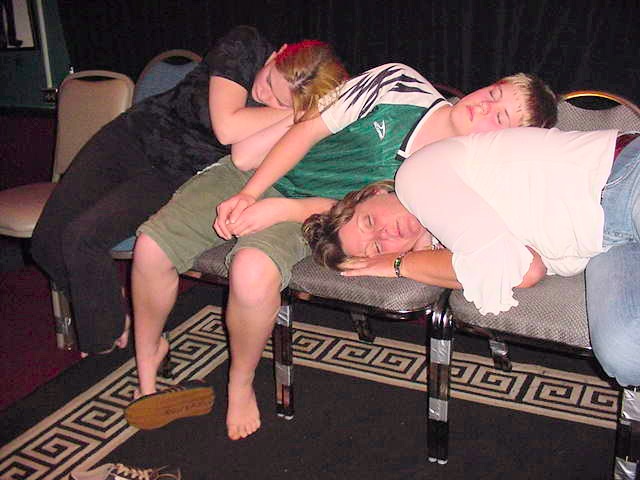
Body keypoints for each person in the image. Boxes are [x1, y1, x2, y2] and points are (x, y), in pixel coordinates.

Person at [129, 63, 558, 440]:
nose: (485, 107)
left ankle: (239, 383)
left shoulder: (458, 176)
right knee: (150, 249)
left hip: (316, 212)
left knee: (251, 272)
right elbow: (307, 130)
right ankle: (147, 372)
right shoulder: (399, 84)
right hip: (261, 171)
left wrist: (284, 209)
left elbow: (363, 219)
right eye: (494, 94)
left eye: (500, 117)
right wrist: (251, 194)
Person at [30, 25, 348, 355]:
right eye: (269, 81)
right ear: (277, 53)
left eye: (280, 102)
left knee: (82, 237)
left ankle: (104, 341)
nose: (265, 96)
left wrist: (299, 115)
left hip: (175, 176)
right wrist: (291, 113)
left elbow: (241, 155)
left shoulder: (295, 115)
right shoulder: (245, 44)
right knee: (45, 242)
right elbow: (227, 127)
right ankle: (108, 299)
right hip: (132, 136)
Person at [304, 128, 640, 387]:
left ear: (375, 193)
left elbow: (518, 270)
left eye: (369, 221)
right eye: (377, 247)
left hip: (620, 179)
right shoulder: (443, 242)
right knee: (624, 350)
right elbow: (529, 265)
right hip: (606, 244)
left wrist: (397, 265)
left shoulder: (414, 177)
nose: (386, 234)